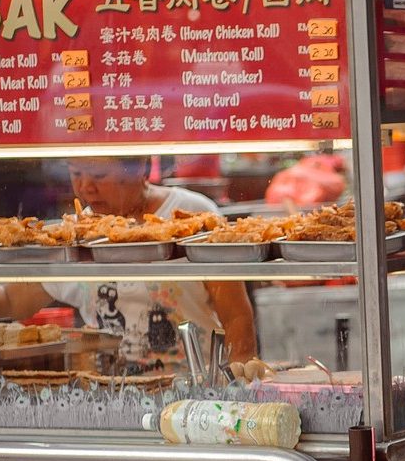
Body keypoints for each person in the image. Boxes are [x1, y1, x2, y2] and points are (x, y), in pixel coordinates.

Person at [40, 158, 257, 371]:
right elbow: (15, 296)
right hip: (110, 392)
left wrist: (237, 382)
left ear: (138, 168)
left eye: (99, 175)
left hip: (192, 391)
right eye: (76, 173)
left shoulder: (193, 215)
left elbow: (236, 317)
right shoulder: (74, 233)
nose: (86, 187)